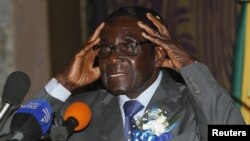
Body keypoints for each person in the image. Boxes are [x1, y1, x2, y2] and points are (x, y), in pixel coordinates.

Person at [0, 6, 244, 141]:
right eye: (105, 48)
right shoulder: (78, 113)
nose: (114, 58)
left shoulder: (192, 105)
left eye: (129, 46)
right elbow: (12, 136)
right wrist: (63, 85)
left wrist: (191, 68)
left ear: (159, 53)